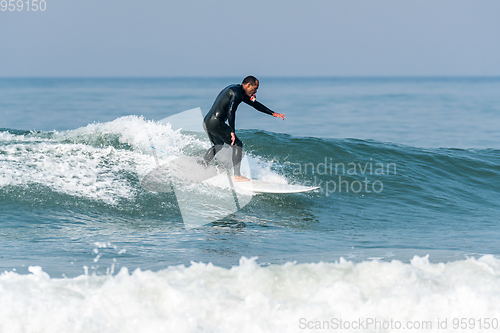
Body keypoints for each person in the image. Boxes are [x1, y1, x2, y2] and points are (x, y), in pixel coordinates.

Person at [202, 76, 285, 182]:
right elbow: (231, 112)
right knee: (237, 144)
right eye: (255, 88)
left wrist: (273, 113)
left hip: (208, 121)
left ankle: (202, 166)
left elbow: (255, 104)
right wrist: (232, 131)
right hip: (216, 122)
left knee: (218, 145)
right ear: (249, 85)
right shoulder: (237, 94)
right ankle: (237, 176)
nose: (255, 91)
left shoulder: (238, 90)